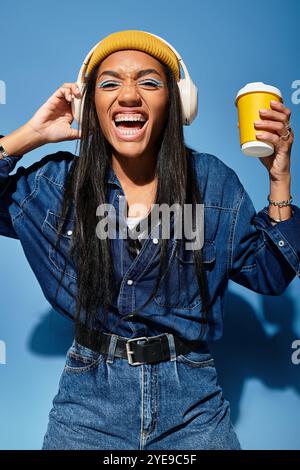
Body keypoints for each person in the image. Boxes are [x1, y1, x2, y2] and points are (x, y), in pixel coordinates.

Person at [0, 29, 299, 451]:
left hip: (193, 403)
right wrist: (28, 135)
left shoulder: (213, 181)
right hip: (89, 403)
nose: (128, 95)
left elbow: (271, 275)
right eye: (109, 83)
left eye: (149, 81)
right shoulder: (55, 183)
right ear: (90, 106)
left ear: (175, 104)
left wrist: (279, 176)